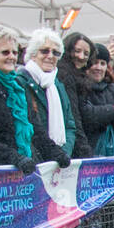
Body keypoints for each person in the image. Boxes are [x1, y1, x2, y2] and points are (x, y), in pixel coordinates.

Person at [0, 25, 67, 172]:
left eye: (14, 52)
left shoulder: (16, 85)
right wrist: (14, 158)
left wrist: (54, 152)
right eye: (5, 52)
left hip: (23, 165)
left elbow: (34, 127)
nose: (12, 57)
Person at [18, 29, 89, 161]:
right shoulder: (21, 82)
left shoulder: (57, 85)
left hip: (59, 161)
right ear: (33, 54)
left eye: (56, 53)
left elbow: (70, 125)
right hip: (35, 159)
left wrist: (63, 153)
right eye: (45, 51)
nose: (50, 56)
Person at [78, 42, 114, 156]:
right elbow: (87, 117)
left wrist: (111, 125)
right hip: (89, 152)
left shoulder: (113, 89)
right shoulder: (80, 89)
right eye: (94, 63)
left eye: (102, 63)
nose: (98, 67)